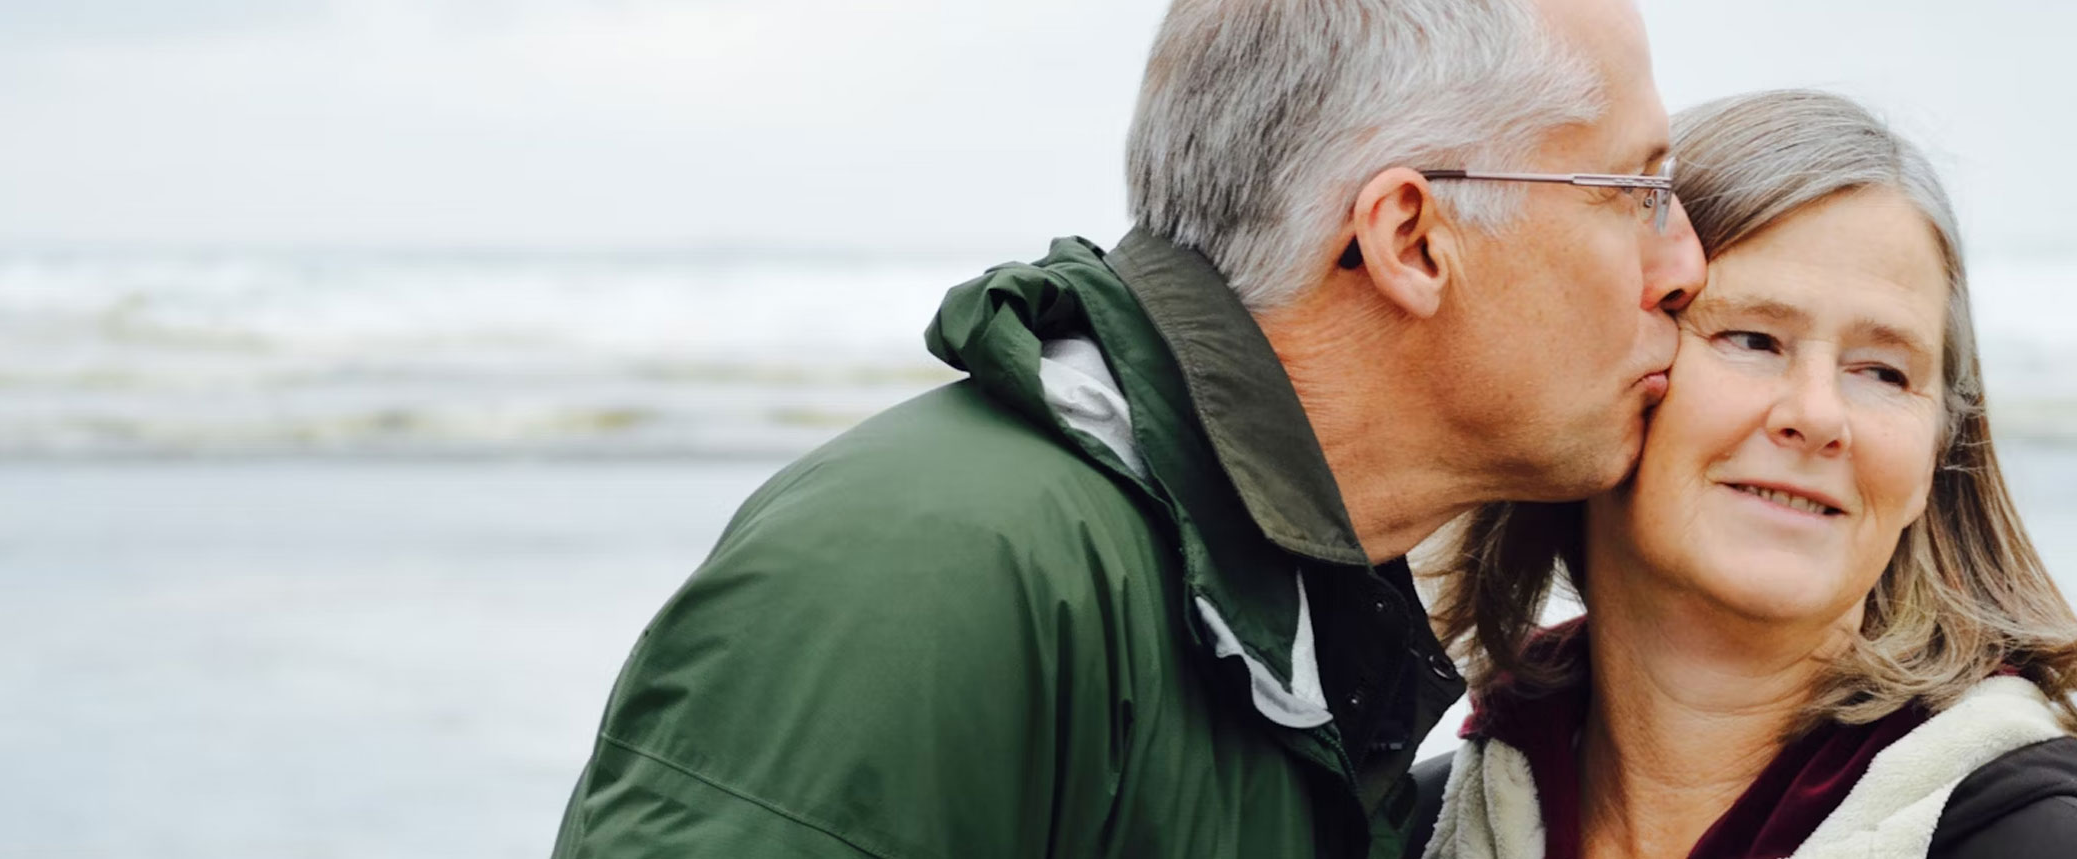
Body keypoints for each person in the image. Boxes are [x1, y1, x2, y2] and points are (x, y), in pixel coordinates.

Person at [549, 0, 1706, 856]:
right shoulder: (936, 573)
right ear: (1410, 238)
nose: (1683, 266)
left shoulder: (1289, 615)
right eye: (1636, 194)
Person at [1410, 89, 2077, 859]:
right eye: (1753, 338)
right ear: (1611, 364)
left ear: (1940, 448)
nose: (1818, 414)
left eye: (1883, 371)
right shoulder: (1406, 828)